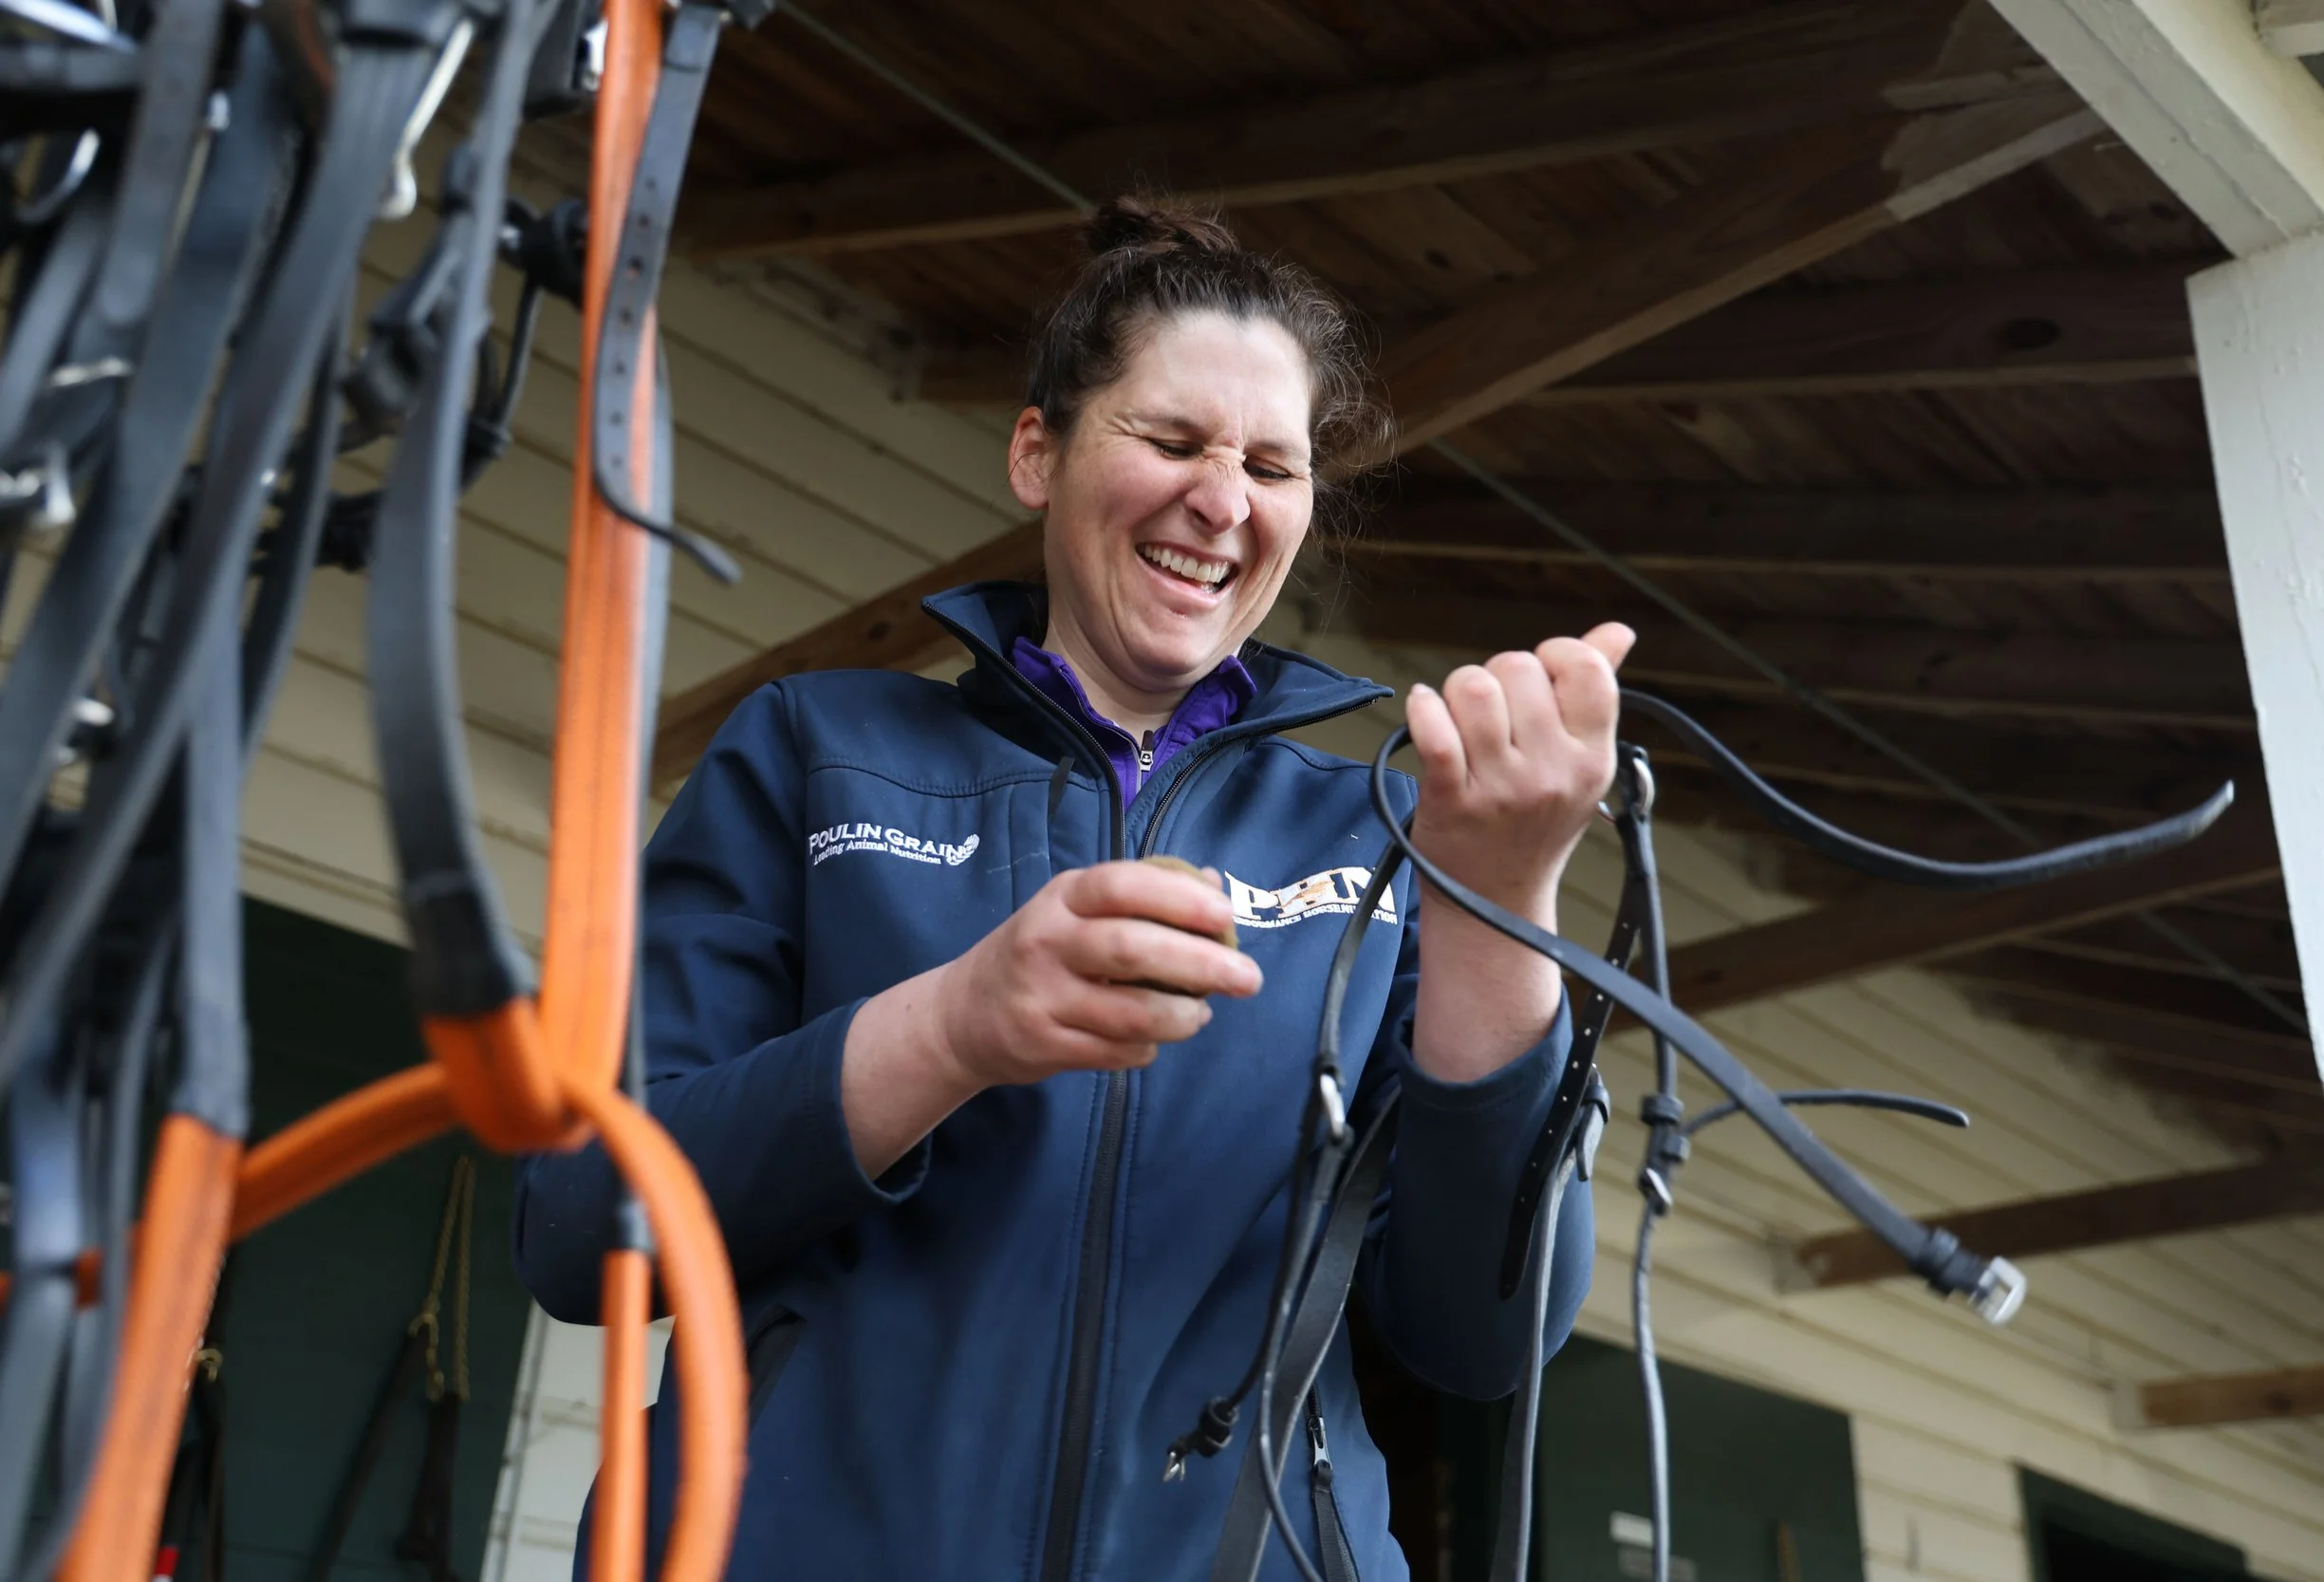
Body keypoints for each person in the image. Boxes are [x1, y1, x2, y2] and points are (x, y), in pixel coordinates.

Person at [513, 197, 1635, 1582]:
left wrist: (1500, 904)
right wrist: (954, 1027)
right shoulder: (817, 749)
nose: (1223, 498)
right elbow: (579, 1225)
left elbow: (1483, 1332)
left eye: (1273, 466)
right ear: (1038, 452)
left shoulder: (1380, 837)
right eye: (1171, 440)